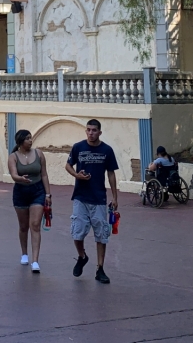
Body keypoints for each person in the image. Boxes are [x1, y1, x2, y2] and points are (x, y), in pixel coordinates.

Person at [64, 119, 119, 284]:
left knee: (101, 234)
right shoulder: (78, 147)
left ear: (99, 132)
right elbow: (68, 165)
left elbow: (111, 174)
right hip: (80, 197)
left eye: (94, 130)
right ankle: (82, 256)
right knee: (77, 231)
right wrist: (76, 175)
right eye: (88, 130)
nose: (90, 133)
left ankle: (100, 269)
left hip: (99, 198)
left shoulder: (107, 150)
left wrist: (115, 197)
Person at [7, 129, 51, 273]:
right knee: (23, 226)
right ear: (20, 142)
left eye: (31, 138)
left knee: (35, 224)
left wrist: (48, 194)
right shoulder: (13, 157)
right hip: (20, 192)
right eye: (27, 138)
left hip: (38, 191)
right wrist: (20, 178)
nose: (30, 141)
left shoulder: (39, 154)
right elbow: (13, 174)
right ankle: (24, 253)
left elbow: (44, 174)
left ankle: (35, 261)